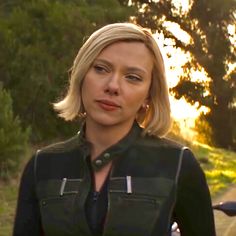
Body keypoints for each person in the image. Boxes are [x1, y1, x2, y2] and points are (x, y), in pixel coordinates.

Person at [13, 22, 216, 236]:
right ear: (81, 76)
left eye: (133, 77)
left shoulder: (178, 164)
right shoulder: (42, 166)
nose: (113, 86)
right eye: (101, 69)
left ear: (148, 94)